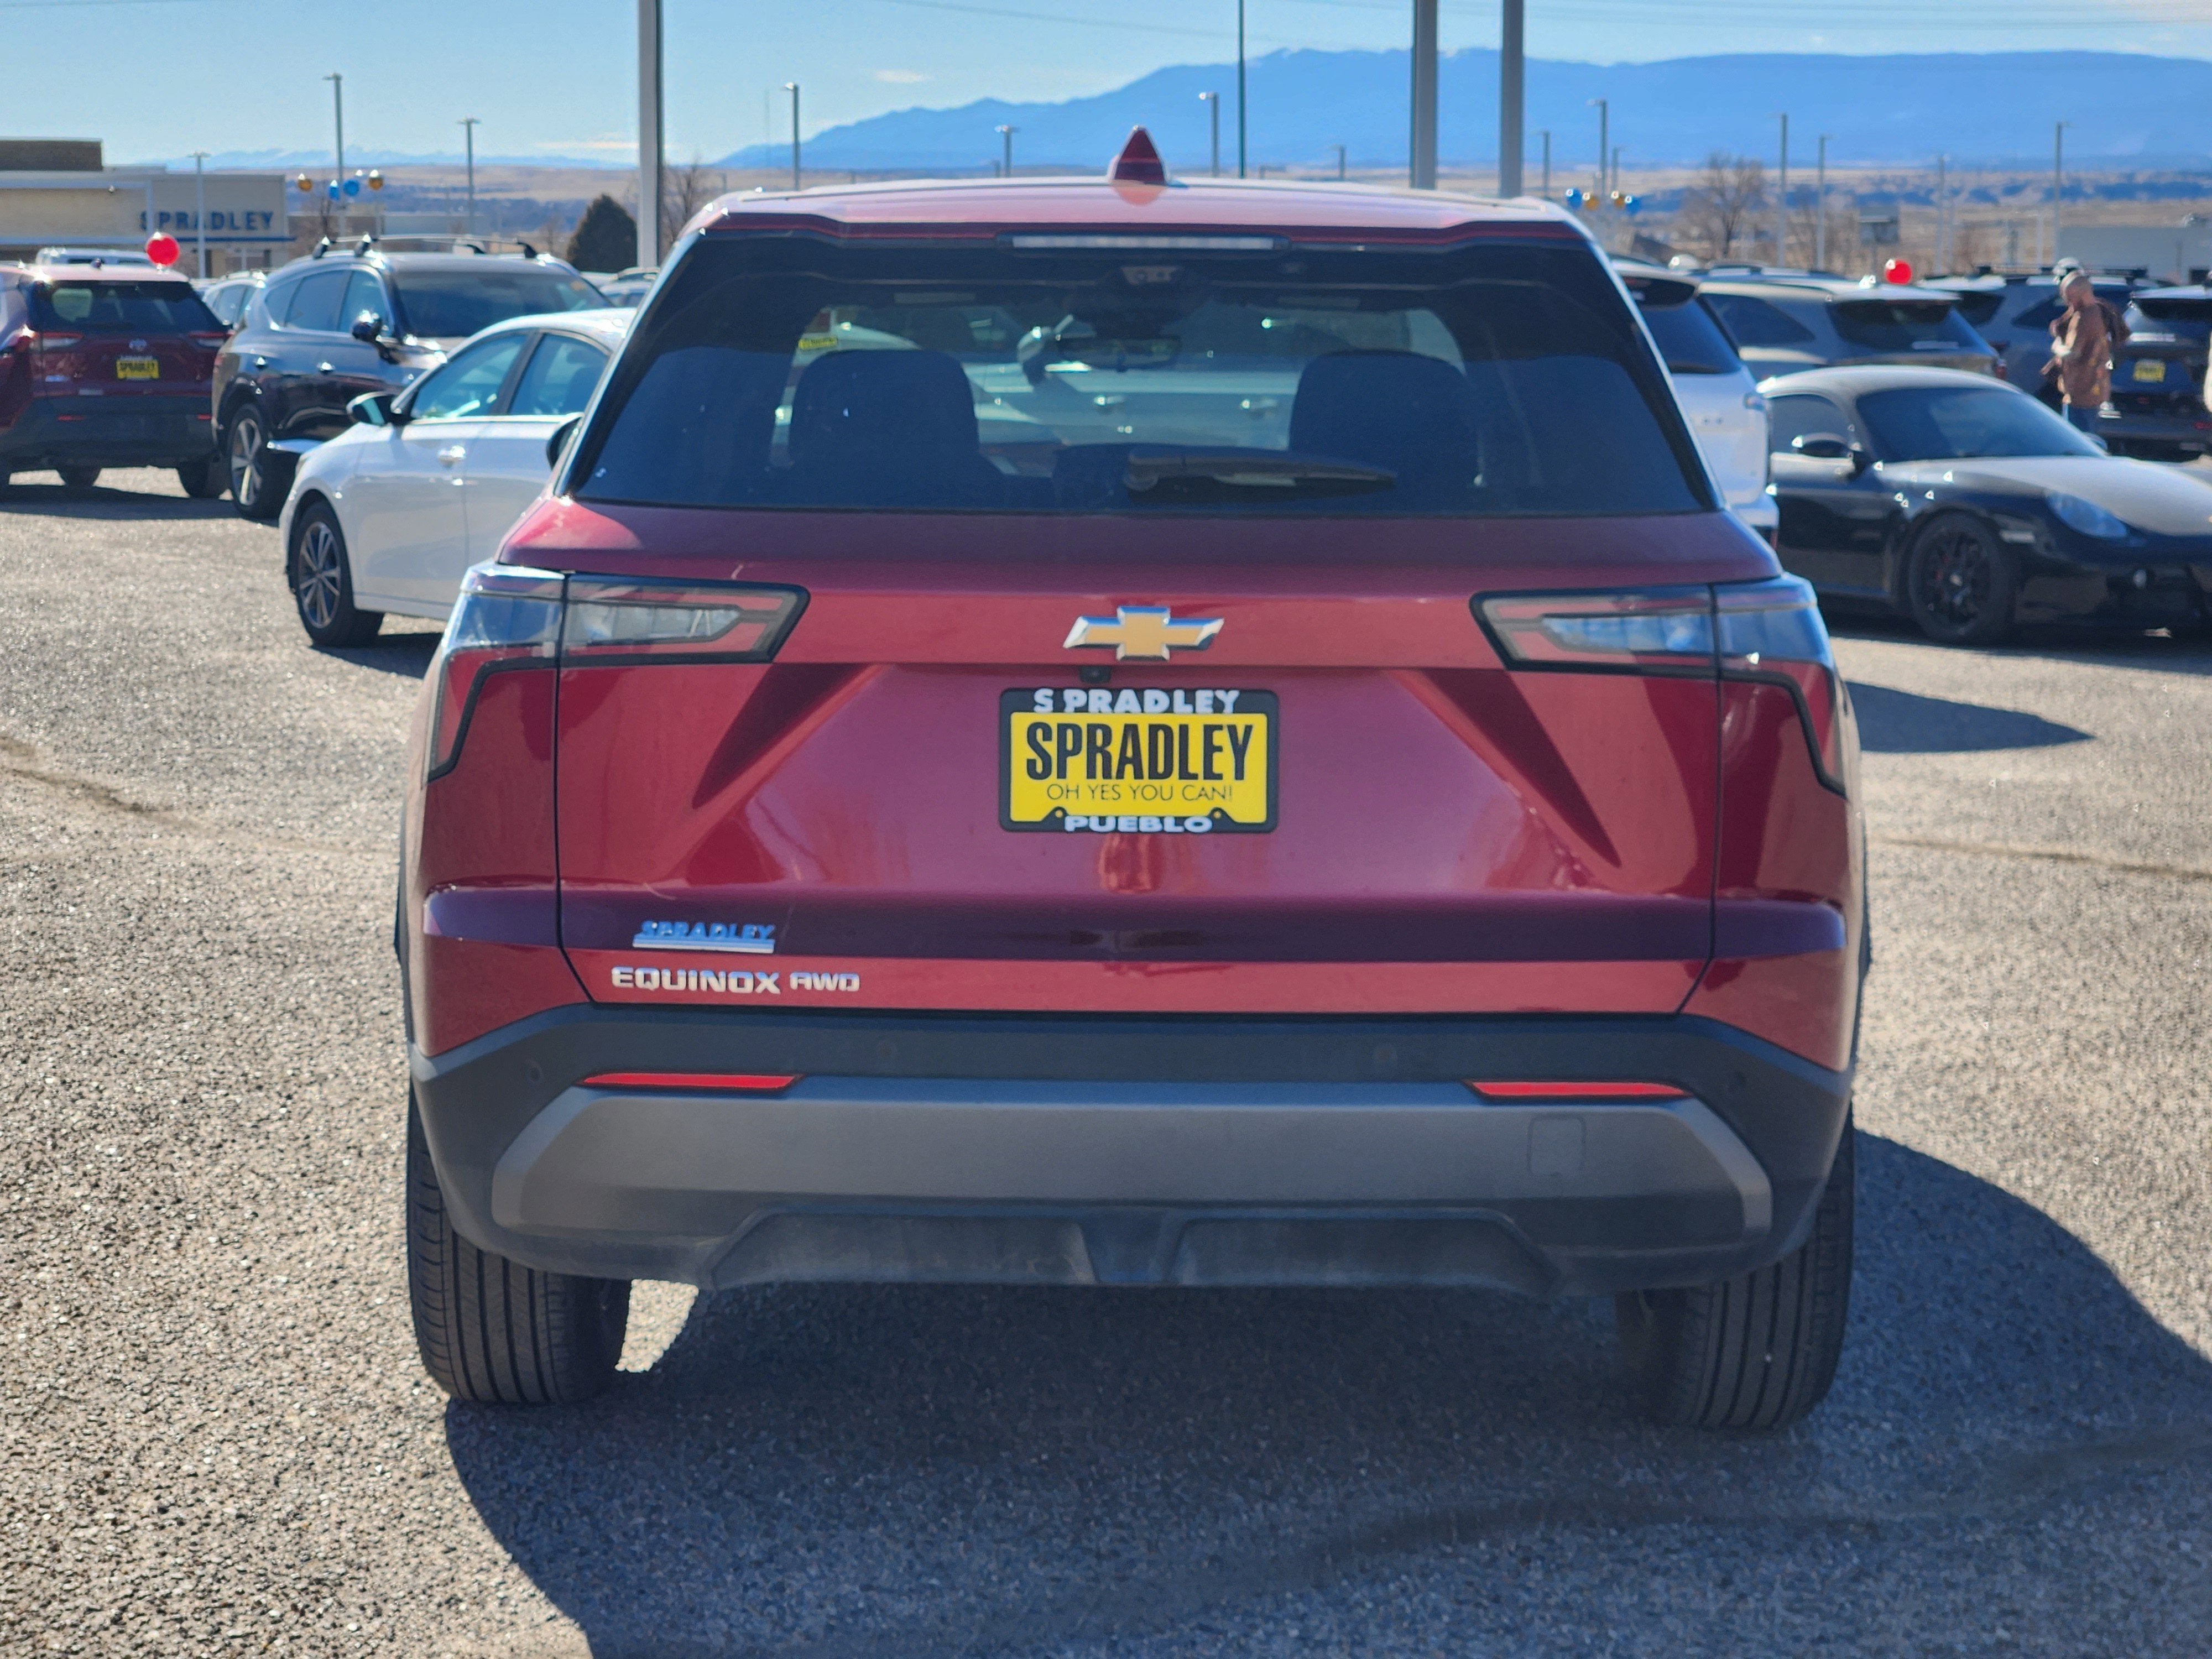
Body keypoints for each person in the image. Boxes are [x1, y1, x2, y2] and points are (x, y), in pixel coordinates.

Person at [2046, 271, 2110, 432]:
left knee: (2077, 437)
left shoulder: (2085, 318)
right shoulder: (2093, 312)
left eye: (2070, 298)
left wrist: (2057, 347)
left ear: (2082, 294)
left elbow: (2073, 354)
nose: (2068, 302)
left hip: (2083, 393)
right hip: (2081, 391)